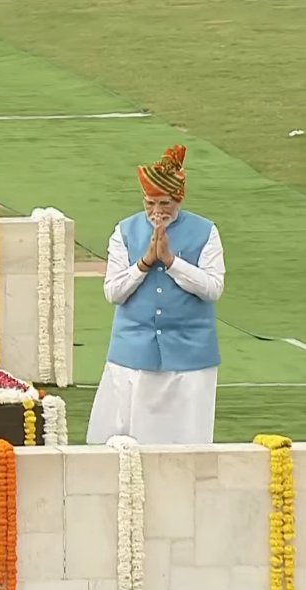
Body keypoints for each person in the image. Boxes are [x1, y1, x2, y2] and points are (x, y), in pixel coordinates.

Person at [86, 145, 226, 444]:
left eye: (164, 204)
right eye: (150, 203)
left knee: (186, 440)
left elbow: (213, 288)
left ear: (178, 200)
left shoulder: (206, 232)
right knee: (131, 437)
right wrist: (146, 262)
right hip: (133, 352)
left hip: (190, 355)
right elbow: (114, 292)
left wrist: (173, 263)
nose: (156, 212)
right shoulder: (124, 231)